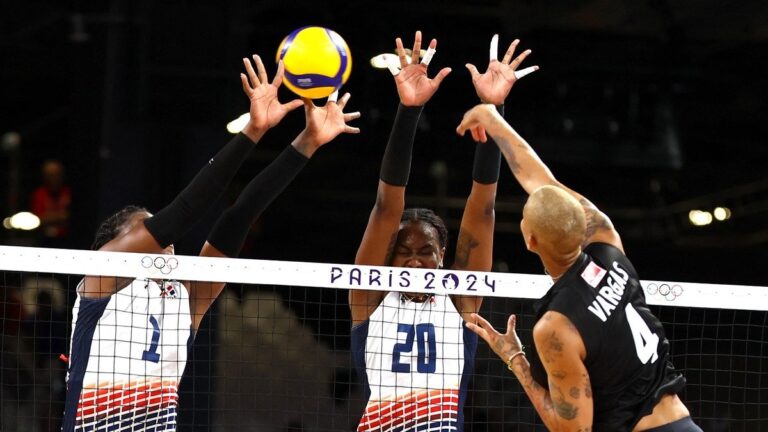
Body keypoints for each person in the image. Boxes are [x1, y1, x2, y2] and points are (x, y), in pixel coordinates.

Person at [61, 54, 360, 432]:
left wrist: (305, 144)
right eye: (149, 234)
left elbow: (239, 215)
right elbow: (185, 212)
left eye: (164, 241)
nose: (165, 246)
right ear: (117, 244)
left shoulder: (187, 298)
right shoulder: (101, 277)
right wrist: (253, 130)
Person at [458, 104, 701, 431]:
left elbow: (574, 429)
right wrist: (492, 118)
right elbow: (544, 181)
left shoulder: (555, 327)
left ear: (529, 240)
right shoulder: (607, 239)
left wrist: (516, 361)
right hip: (684, 423)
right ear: (581, 224)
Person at [350, 32, 536, 432]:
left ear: (442, 255)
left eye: (426, 251)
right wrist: (408, 110)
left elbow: (483, 207)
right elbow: (386, 205)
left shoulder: (461, 301)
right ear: (388, 256)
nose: (415, 259)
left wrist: (494, 109)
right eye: (403, 250)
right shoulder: (367, 295)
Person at [30, 159, 72, 246]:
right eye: (50, 175)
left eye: (57, 175)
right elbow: (37, 219)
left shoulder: (68, 192)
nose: (54, 178)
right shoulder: (39, 193)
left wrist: (50, 217)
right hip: (43, 240)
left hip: (66, 240)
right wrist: (59, 217)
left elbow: (71, 217)